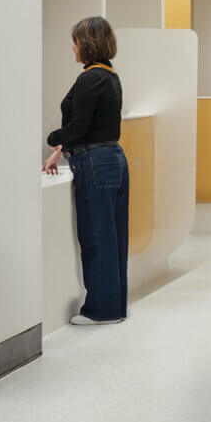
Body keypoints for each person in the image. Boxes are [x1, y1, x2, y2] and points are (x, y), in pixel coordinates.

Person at [43, 16, 129, 325]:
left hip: (95, 163)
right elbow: (91, 127)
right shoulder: (108, 76)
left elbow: (79, 127)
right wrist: (61, 151)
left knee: (96, 236)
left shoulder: (89, 78)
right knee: (113, 236)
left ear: (87, 44)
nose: (73, 47)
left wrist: (53, 139)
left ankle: (100, 310)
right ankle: (114, 307)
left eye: (76, 41)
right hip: (111, 157)